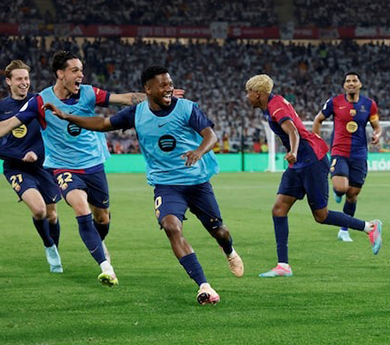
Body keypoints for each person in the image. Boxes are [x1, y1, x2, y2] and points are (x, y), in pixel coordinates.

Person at [44, 66, 244, 305]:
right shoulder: (136, 113)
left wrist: (199, 151)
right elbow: (103, 123)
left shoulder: (187, 108)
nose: (169, 88)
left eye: (170, 83)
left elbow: (210, 135)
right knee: (171, 226)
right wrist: (68, 117)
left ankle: (229, 251)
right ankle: (204, 286)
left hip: (197, 182)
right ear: (148, 89)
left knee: (219, 231)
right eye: (163, 84)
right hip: (166, 185)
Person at [0, 50, 149, 287]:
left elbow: (124, 98)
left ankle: (97, 245)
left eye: (81, 70)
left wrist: (154, 95)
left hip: (92, 164)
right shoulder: (41, 101)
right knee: (77, 209)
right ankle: (104, 266)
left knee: (101, 218)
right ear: (61, 74)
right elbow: (8, 125)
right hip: (61, 167)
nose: (81, 74)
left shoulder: (89, 93)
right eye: (75, 70)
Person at [245, 74, 383, 278]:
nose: (247, 97)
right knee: (279, 209)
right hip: (299, 161)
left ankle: (370, 227)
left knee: (322, 216)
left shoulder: (276, 107)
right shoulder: (273, 104)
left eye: (248, 93)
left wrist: (292, 151)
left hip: (311, 159)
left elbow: (292, 130)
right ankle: (283, 265)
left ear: (257, 93)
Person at [1, 60, 63, 273]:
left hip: (44, 165)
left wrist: (36, 153)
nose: (24, 83)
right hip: (16, 167)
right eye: (19, 79)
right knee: (38, 210)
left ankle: (56, 249)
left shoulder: (39, 103)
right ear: (8, 81)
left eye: (26, 78)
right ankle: (49, 247)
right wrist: (21, 154)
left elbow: (51, 134)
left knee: (52, 215)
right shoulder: (2, 109)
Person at [312, 71, 382, 242]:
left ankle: (344, 230)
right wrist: (316, 141)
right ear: (344, 85)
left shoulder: (369, 104)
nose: (351, 83)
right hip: (339, 151)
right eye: (348, 81)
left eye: (354, 81)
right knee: (342, 188)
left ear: (360, 85)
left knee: (352, 194)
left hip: (359, 154)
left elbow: (376, 126)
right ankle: (337, 191)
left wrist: (377, 135)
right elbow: (318, 119)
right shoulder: (334, 102)